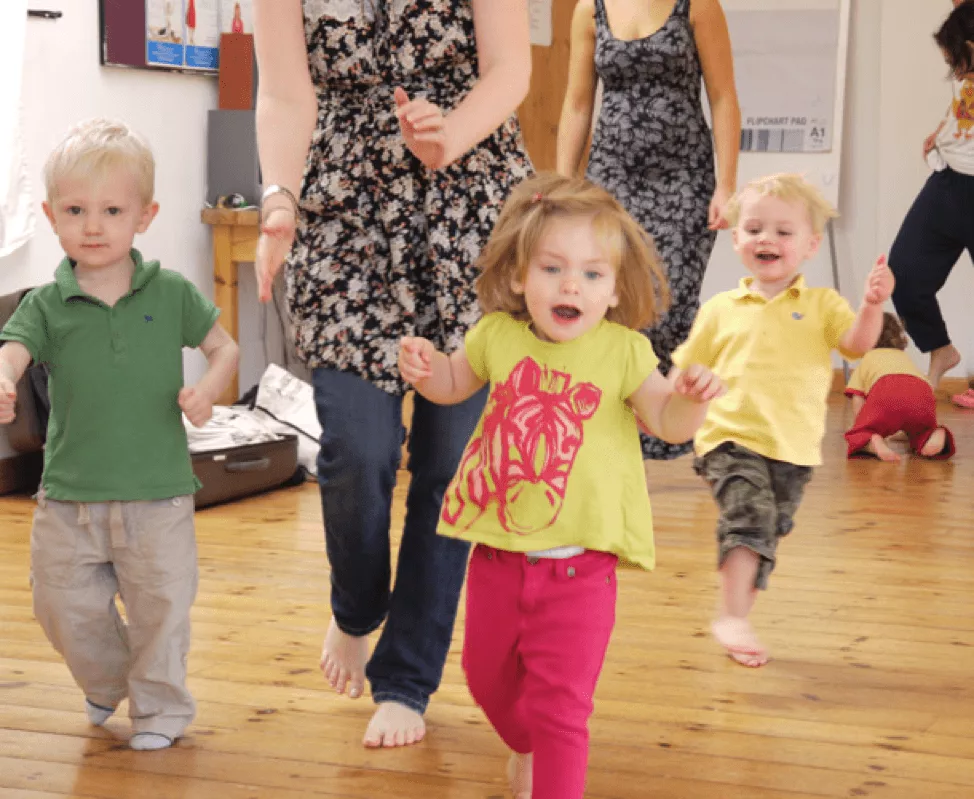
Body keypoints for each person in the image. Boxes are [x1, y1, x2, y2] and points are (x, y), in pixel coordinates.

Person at [251, 0, 533, 748]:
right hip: (346, 215)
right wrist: (279, 198)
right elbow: (285, 92)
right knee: (359, 447)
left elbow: (510, 68)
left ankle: (407, 679)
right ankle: (356, 608)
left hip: (470, 208)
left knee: (447, 466)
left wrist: (453, 132)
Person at [398, 173, 725, 799]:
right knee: (484, 681)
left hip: (581, 573)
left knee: (563, 712)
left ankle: (548, 763)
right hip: (497, 561)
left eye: (592, 275)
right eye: (553, 268)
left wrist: (689, 400)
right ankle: (528, 747)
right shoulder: (496, 336)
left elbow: (667, 423)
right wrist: (426, 370)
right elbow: (451, 383)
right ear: (521, 276)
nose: (572, 284)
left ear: (613, 289)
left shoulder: (626, 352)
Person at [0, 119, 239, 749]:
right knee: (58, 605)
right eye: (76, 210)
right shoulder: (46, 303)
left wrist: (208, 390)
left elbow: (225, 348)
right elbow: (13, 351)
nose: (94, 225)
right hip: (69, 497)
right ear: (51, 215)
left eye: (112, 210)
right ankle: (109, 678)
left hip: (158, 496)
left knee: (162, 611)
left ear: (145, 215)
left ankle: (160, 711)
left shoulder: (173, 292)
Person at [672, 173, 894, 668]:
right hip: (728, 438)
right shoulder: (720, 309)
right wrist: (684, 386)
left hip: (793, 449)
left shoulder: (822, 305)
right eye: (754, 229)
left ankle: (738, 622)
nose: (766, 239)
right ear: (736, 239)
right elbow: (685, 365)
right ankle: (732, 616)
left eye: (783, 232)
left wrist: (872, 305)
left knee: (765, 534)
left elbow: (857, 345)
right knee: (748, 517)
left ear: (811, 245)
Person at [557, 0, 741, 461]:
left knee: (667, 303)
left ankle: (663, 423)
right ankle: (609, 430)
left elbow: (722, 96)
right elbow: (578, 102)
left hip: (683, 177)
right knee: (608, 303)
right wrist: (562, 186)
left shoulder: (697, 6)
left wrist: (727, 185)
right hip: (612, 176)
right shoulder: (590, 9)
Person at [889, 0, 974, 392]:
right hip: (948, 182)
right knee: (904, 275)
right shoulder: (965, 25)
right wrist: (945, 129)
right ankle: (940, 348)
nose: (954, 70)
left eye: (958, 61)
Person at [844, 312, 955, 462]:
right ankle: (933, 435)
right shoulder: (903, 357)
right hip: (922, 392)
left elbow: (858, 399)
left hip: (887, 389)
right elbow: (919, 386)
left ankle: (872, 442)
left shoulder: (868, 359)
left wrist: (863, 427)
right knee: (921, 431)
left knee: (858, 435)